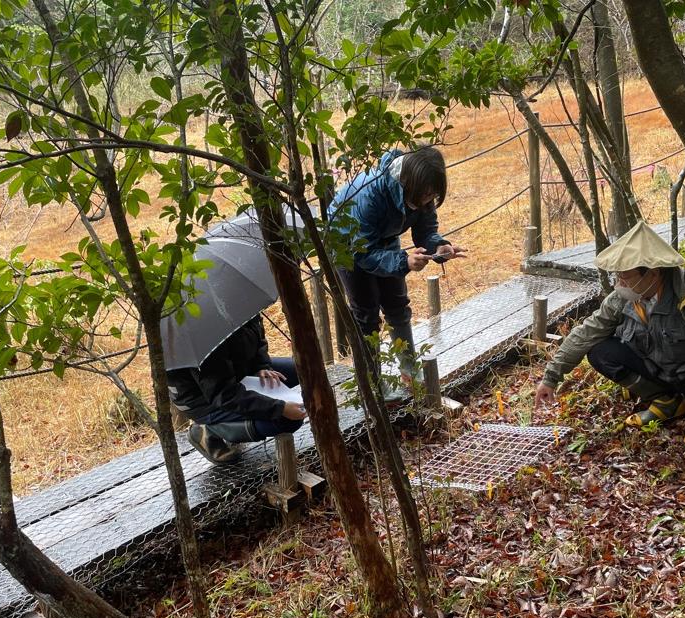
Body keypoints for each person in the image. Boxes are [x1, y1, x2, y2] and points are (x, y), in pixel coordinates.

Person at [534, 221, 685, 450]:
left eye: (625, 278)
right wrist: (551, 377)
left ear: (653, 273)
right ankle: (668, 400)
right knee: (600, 351)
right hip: (660, 370)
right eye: (617, 278)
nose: (620, 284)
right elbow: (586, 333)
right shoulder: (624, 298)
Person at [330, 145, 467, 389]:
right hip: (347, 244)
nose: (429, 200)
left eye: (433, 195)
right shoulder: (371, 194)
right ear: (410, 182)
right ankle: (372, 384)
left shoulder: (422, 190)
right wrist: (403, 261)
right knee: (366, 315)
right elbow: (364, 253)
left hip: (383, 239)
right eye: (426, 194)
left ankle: (409, 371)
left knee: (397, 305)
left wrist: (440, 248)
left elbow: (426, 231)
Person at [166, 315, 306, 464]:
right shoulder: (201, 334)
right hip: (206, 400)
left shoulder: (236, 305)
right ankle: (208, 430)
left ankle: (240, 417)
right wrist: (280, 408)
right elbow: (225, 394)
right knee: (288, 421)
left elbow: (258, 338)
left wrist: (261, 367)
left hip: (235, 373)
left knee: (302, 370)